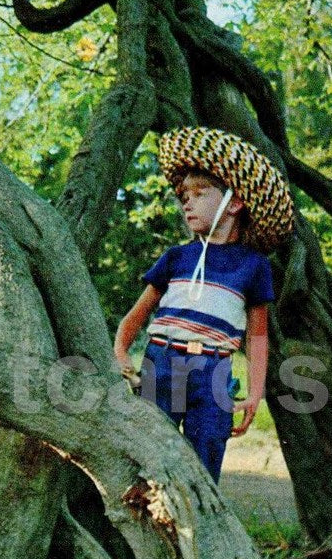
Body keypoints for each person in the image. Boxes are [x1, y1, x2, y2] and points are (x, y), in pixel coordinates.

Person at [114, 127, 294, 483]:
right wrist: (121, 353)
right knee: (150, 461)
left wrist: (254, 394)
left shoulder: (253, 266)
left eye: (200, 193)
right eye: (184, 195)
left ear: (235, 203)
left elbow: (257, 339)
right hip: (160, 363)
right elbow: (135, 317)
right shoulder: (176, 258)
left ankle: (199, 534)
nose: (187, 202)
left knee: (205, 462)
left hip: (214, 373)